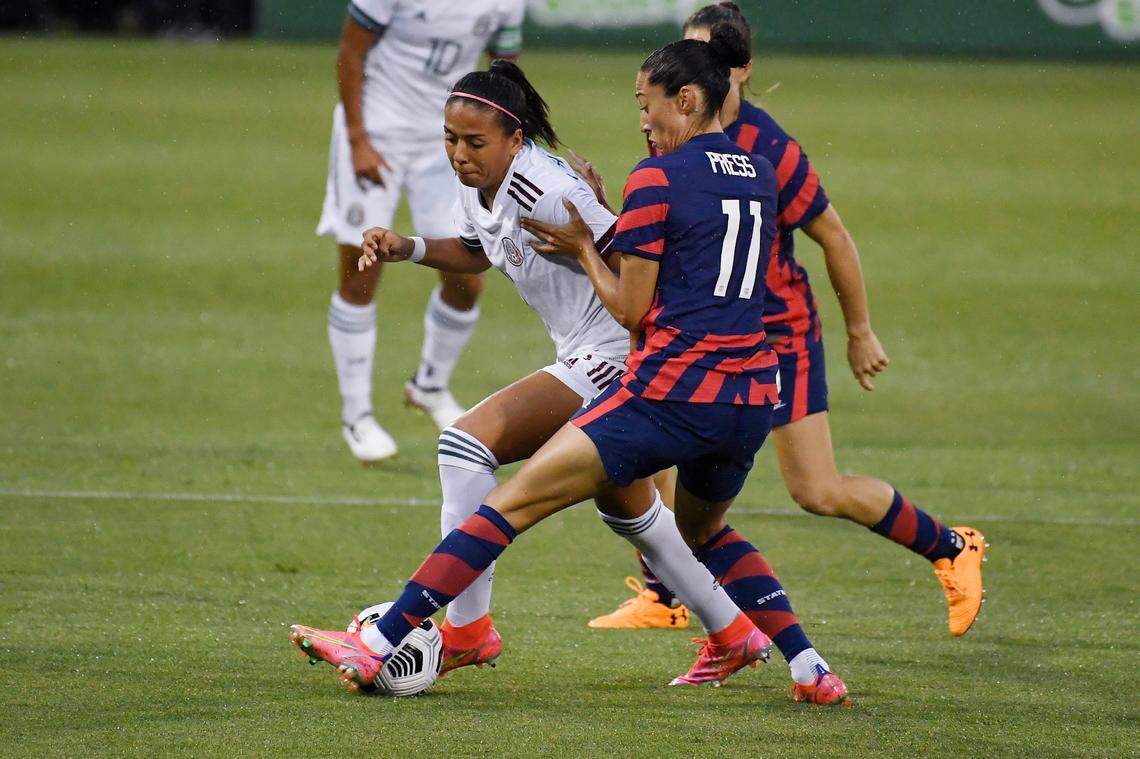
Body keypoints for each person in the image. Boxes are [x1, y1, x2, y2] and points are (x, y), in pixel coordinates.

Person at [291, 28, 849, 705]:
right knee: (631, 507)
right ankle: (736, 631)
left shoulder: (548, 187)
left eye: (473, 143)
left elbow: (635, 273)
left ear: (514, 137)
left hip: (620, 356)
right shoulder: (488, 182)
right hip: (693, 375)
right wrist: (405, 245)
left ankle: (464, 630)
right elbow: (478, 249)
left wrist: (591, 234)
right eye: (450, 140)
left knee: (466, 443)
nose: (459, 155)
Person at [583, 2, 986, 638]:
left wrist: (859, 331)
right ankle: (666, 594)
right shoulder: (672, 142)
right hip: (700, 334)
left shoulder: (771, 150)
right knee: (652, 457)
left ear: (737, 73)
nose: (694, 74)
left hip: (776, 334)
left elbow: (835, 237)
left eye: (709, 60)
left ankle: (950, 546)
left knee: (817, 490)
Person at [318, 0, 526, 462]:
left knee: (468, 276)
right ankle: (358, 416)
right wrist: (357, 138)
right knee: (361, 271)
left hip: (449, 141)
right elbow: (351, 52)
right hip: (379, 131)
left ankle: (429, 385)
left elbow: (505, 69)